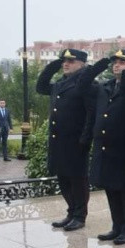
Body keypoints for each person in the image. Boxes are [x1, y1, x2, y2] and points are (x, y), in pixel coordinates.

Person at [78, 49, 125, 245]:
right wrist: (99, 64)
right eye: (114, 62)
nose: (116, 65)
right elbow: (82, 85)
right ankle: (116, 226)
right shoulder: (105, 87)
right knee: (111, 189)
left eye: (122, 62)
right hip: (105, 147)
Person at [36, 49, 95, 231]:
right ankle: (71, 212)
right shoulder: (61, 82)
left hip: (76, 142)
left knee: (78, 180)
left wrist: (85, 139)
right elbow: (41, 87)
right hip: (58, 141)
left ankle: (80, 215)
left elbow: (91, 114)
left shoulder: (86, 83)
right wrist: (53, 64)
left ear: (82, 64)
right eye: (64, 61)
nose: (66, 64)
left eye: (71, 60)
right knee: (63, 178)